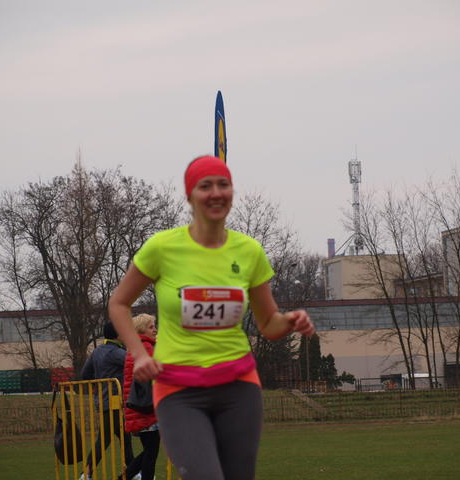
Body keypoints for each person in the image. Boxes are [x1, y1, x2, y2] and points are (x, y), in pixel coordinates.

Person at [108, 155, 314, 480]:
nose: (216, 193)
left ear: (232, 192)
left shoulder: (249, 251)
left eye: (223, 185)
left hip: (238, 387)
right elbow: (119, 304)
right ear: (190, 195)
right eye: (205, 186)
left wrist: (290, 321)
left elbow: (268, 324)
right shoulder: (162, 248)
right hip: (178, 390)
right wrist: (139, 353)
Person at [80, 322, 134, 480]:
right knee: (104, 440)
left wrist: (99, 384)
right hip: (113, 402)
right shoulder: (116, 352)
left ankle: (133, 472)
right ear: (118, 335)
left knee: (125, 438)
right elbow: (134, 362)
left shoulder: (97, 351)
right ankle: (86, 474)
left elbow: (85, 374)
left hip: (103, 401)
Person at [121, 314, 160, 480]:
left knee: (149, 450)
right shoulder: (147, 347)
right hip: (146, 407)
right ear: (142, 330)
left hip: (138, 406)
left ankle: (124, 477)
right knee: (151, 452)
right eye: (151, 327)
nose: (155, 329)